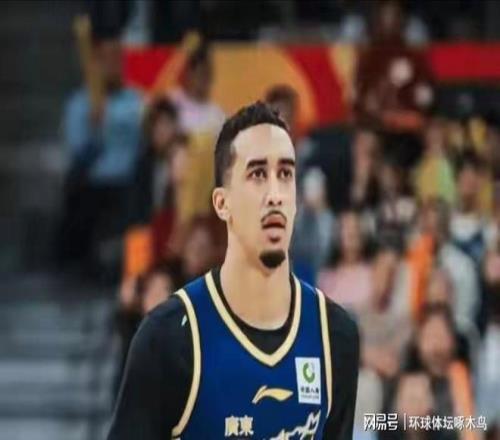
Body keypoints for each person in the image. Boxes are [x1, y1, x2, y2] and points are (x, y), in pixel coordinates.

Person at [108, 102, 359, 439]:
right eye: (257, 174)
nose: (275, 194)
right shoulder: (169, 336)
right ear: (222, 203)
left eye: (285, 174)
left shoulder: (335, 334)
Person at [58, 32, 143, 273]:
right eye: (106, 59)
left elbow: (146, 142)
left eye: (117, 58)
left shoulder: (135, 100)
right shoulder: (79, 103)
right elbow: (77, 152)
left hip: (130, 181)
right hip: (94, 183)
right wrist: (94, 129)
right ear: (94, 64)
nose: (113, 65)